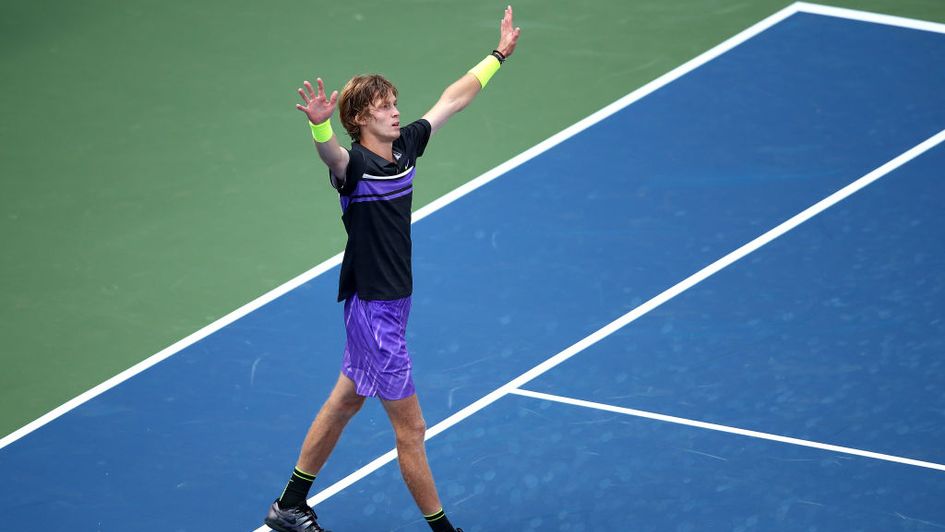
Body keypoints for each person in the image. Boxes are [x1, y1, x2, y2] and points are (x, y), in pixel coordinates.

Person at [263, 6, 521, 532]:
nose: (395, 113)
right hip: (374, 312)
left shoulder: (405, 149)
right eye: (383, 108)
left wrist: (496, 56)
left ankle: (289, 504)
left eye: (395, 104)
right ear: (360, 119)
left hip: (391, 303)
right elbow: (330, 155)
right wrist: (318, 127)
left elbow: (453, 99)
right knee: (413, 430)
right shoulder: (352, 167)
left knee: (345, 401)